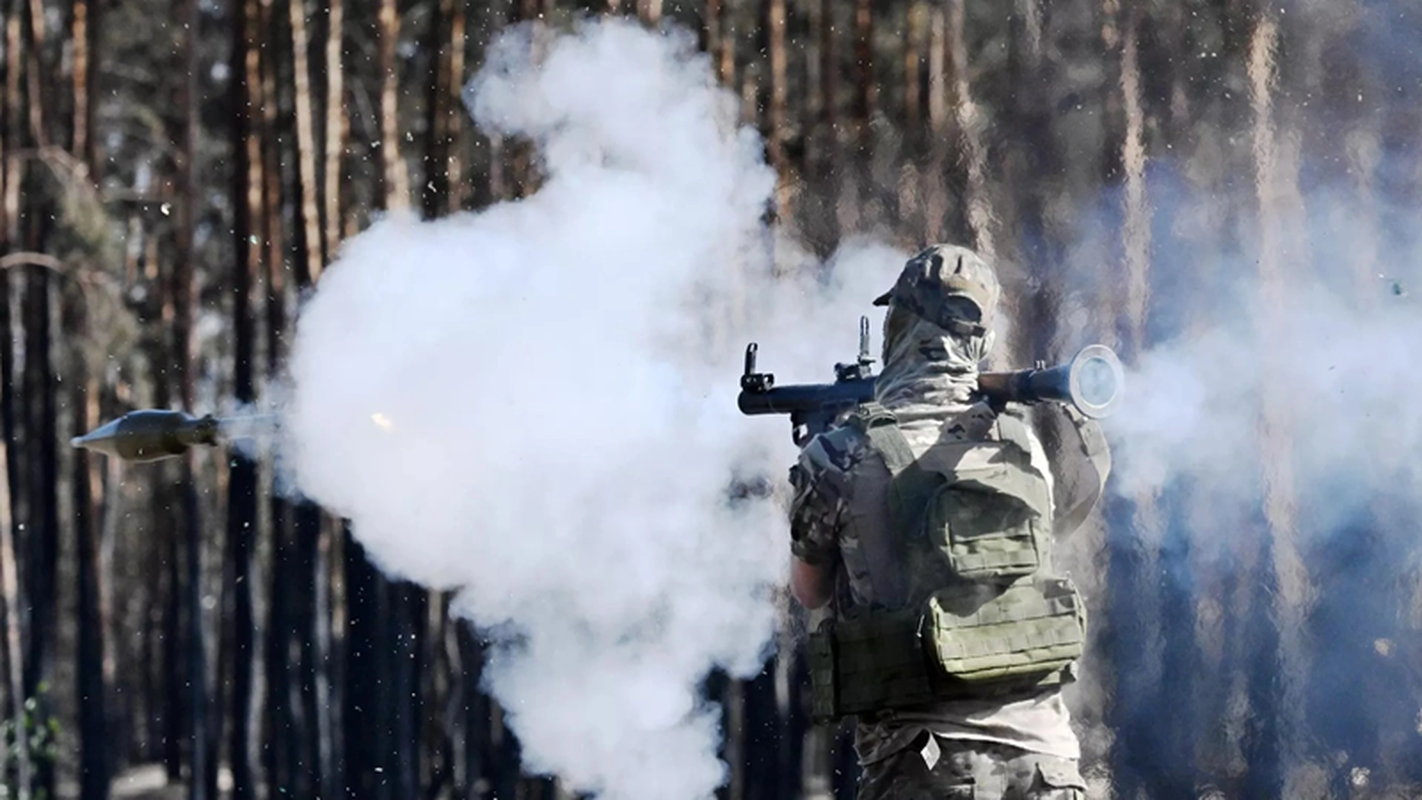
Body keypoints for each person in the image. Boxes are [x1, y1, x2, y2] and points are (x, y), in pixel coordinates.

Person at [786, 243, 1111, 799]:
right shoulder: (1022, 443)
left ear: (899, 326)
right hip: (1050, 770)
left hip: (928, 772)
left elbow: (809, 591)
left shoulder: (839, 456)